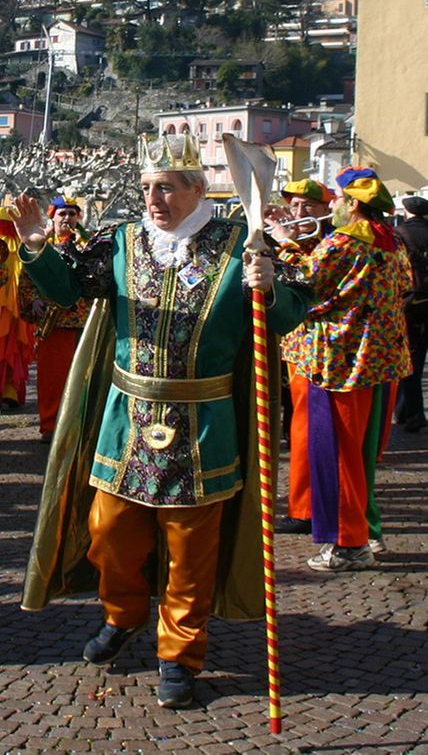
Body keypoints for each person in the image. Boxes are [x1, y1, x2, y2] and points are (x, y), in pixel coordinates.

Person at [11, 133, 309, 709]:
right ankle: (122, 615)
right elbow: (70, 293)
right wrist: (37, 251)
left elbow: (291, 313)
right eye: (147, 188)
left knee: (191, 548)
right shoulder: (122, 241)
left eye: (165, 188)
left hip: (205, 423)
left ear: (198, 190)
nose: (153, 200)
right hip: (127, 415)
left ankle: (180, 653)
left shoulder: (241, 243)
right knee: (109, 532)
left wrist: (270, 288)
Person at [275, 166, 413, 571]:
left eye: (336, 200)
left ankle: (349, 542)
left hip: (339, 363)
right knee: (361, 455)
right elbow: (404, 287)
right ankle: (365, 532)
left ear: (352, 204)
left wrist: (284, 246)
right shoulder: (391, 242)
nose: (332, 206)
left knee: (336, 454)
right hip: (378, 361)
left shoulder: (341, 244)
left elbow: (306, 293)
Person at [264, 179, 334, 534]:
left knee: (306, 432)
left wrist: (283, 240)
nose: (299, 213)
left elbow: (311, 278)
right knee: (294, 429)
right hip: (287, 346)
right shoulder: (295, 239)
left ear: (326, 209)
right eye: (294, 206)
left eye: (308, 206)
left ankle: (306, 508)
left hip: (314, 352)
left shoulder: (329, 243)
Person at [18, 195, 92, 443]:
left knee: (84, 378)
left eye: (72, 213)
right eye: (62, 214)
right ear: (52, 217)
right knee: (51, 379)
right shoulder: (41, 245)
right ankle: (50, 426)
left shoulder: (88, 245)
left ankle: (80, 426)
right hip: (54, 324)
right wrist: (33, 301)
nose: (68, 218)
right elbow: (27, 278)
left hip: (83, 322)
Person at [394, 195, 428, 432]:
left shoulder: (399, 234)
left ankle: (411, 412)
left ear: (405, 212)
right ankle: (407, 411)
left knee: (410, 358)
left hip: (412, 303)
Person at [0, 207, 34, 410]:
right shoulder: (22, 246)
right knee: (12, 348)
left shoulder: (20, 246)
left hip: (14, 308)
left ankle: (9, 391)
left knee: (9, 347)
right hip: (15, 308)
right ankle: (9, 391)